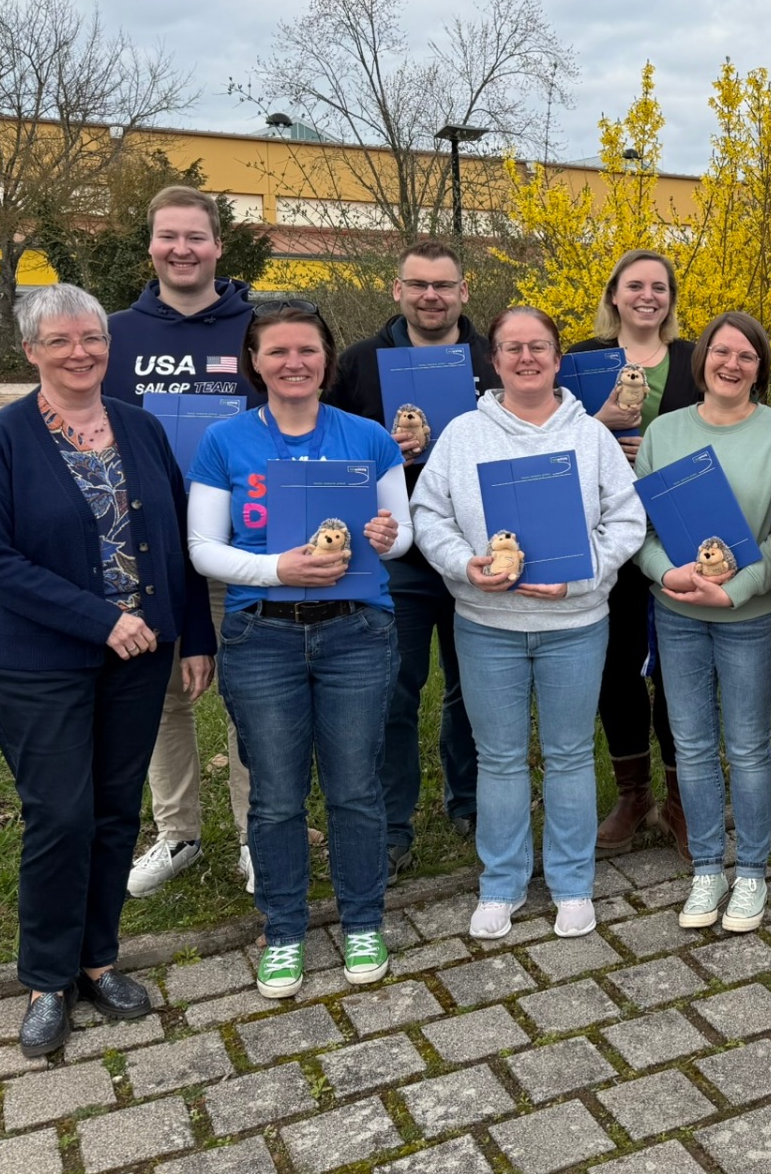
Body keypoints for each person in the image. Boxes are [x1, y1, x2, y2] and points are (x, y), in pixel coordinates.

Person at [0, 284, 215, 1056]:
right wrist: (100, 619)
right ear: (31, 350)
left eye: (91, 340)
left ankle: (98, 960)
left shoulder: (137, 428)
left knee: (111, 812)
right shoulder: (0, 440)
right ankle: (45, 978)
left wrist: (194, 633)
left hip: (140, 660)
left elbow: (172, 541)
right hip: (40, 662)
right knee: (59, 816)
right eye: (60, 341)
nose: (79, 353)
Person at [187, 301, 410, 999]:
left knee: (355, 787)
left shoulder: (368, 437)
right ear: (255, 362)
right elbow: (203, 549)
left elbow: (400, 534)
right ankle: (283, 929)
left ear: (327, 359)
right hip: (264, 637)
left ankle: (363, 920)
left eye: (307, 350)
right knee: (278, 797)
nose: (293, 363)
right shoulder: (225, 442)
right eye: (278, 351)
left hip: (356, 634)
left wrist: (384, 539)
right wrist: (275, 569)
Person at [413, 307, 646, 942]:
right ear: (494, 360)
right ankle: (502, 883)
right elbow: (428, 515)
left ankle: (572, 882)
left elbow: (625, 520)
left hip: (574, 620)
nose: (526, 358)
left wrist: (581, 575)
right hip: (487, 621)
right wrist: (464, 565)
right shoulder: (462, 435)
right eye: (512, 347)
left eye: (538, 346)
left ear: (555, 357)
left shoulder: (591, 436)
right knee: (501, 758)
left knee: (571, 754)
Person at [101, 185, 257, 899]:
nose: (182, 249)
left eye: (196, 236)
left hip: (241, 543)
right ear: (152, 247)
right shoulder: (115, 335)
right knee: (162, 696)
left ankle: (259, 834)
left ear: (218, 246)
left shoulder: (256, 327)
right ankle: (179, 833)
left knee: (248, 696)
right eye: (169, 237)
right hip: (148, 549)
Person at [326, 240, 501, 875]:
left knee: (473, 688)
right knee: (395, 691)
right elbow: (335, 456)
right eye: (418, 284)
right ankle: (392, 824)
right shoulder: (358, 363)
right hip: (396, 555)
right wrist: (384, 459)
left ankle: (474, 802)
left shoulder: (495, 359)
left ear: (463, 291)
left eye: (444, 285)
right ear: (397, 290)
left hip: (477, 547)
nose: (432, 295)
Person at [633, 312, 771, 931]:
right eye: (721, 353)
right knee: (693, 745)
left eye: (747, 356)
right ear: (702, 359)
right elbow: (640, 529)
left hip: (750, 616)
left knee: (749, 747)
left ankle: (753, 872)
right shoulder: (665, 432)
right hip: (676, 613)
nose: (732, 365)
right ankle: (708, 867)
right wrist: (663, 573)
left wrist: (738, 592)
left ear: (760, 368)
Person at [568, 249, 702, 857]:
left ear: (670, 299)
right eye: (635, 286)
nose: (648, 296)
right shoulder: (579, 361)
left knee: (678, 666)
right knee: (615, 664)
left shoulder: (695, 359)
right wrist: (600, 429)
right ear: (614, 295)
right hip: (603, 529)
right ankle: (633, 794)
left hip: (680, 527)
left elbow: (720, 425)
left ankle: (680, 798)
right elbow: (557, 437)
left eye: (660, 287)